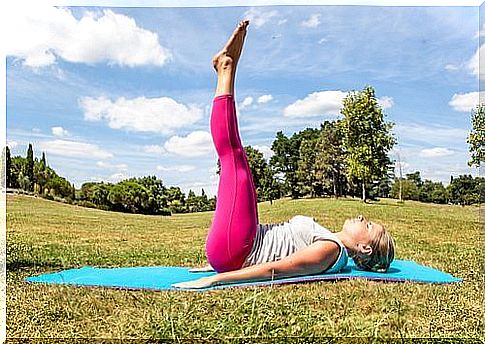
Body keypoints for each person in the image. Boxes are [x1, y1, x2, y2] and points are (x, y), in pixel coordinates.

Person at [172, 20, 394, 289]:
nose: (361, 218)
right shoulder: (331, 245)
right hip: (238, 245)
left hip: (239, 250)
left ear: (365, 248)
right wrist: (216, 263)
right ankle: (226, 68)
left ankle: (226, 69)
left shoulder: (331, 251)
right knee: (235, 161)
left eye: (368, 225)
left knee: (234, 158)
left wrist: (218, 278)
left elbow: (274, 270)